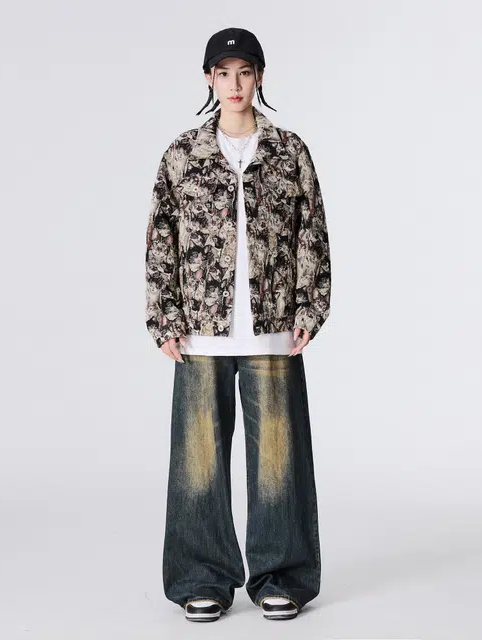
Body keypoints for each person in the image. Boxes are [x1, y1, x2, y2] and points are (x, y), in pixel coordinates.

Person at [144, 27, 331, 622]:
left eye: (244, 72)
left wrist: (310, 308)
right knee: (198, 461)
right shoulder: (182, 155)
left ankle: (282, 575)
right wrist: (164, 316)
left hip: (274, 328)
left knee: (278, 460)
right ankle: (202, 576)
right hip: (199, 330)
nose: (234, 84)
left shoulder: (289, 151)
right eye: (223, 73)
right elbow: (161, 239)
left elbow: (312, 232)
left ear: (259, 78)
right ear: (209, 79)